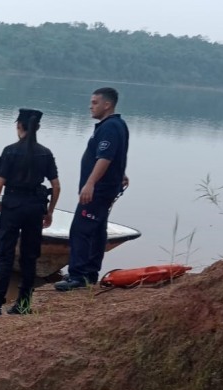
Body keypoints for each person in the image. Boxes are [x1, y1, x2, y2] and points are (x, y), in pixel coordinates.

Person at [0, 109, 60, 316]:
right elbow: (56, 186)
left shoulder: (10, 151)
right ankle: (23, 304)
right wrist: (49, 212)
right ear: (38, 128)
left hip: (12, 207)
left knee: (5, 255)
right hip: (35, 208)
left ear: (19, 127)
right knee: (29, 257)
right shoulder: (46, 153)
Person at [54, 87, 130, 291]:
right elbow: (117, 156)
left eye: (95, 102)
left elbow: (105, 157)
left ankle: (77, 276)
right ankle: (90, 274)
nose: (90, 106)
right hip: (107, 187)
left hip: (98, 190)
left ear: (107, 104)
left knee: (80, 229)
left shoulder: (110, 127)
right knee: (97, 231)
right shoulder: (118, 125)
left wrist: (90, 183)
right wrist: (119, 174)